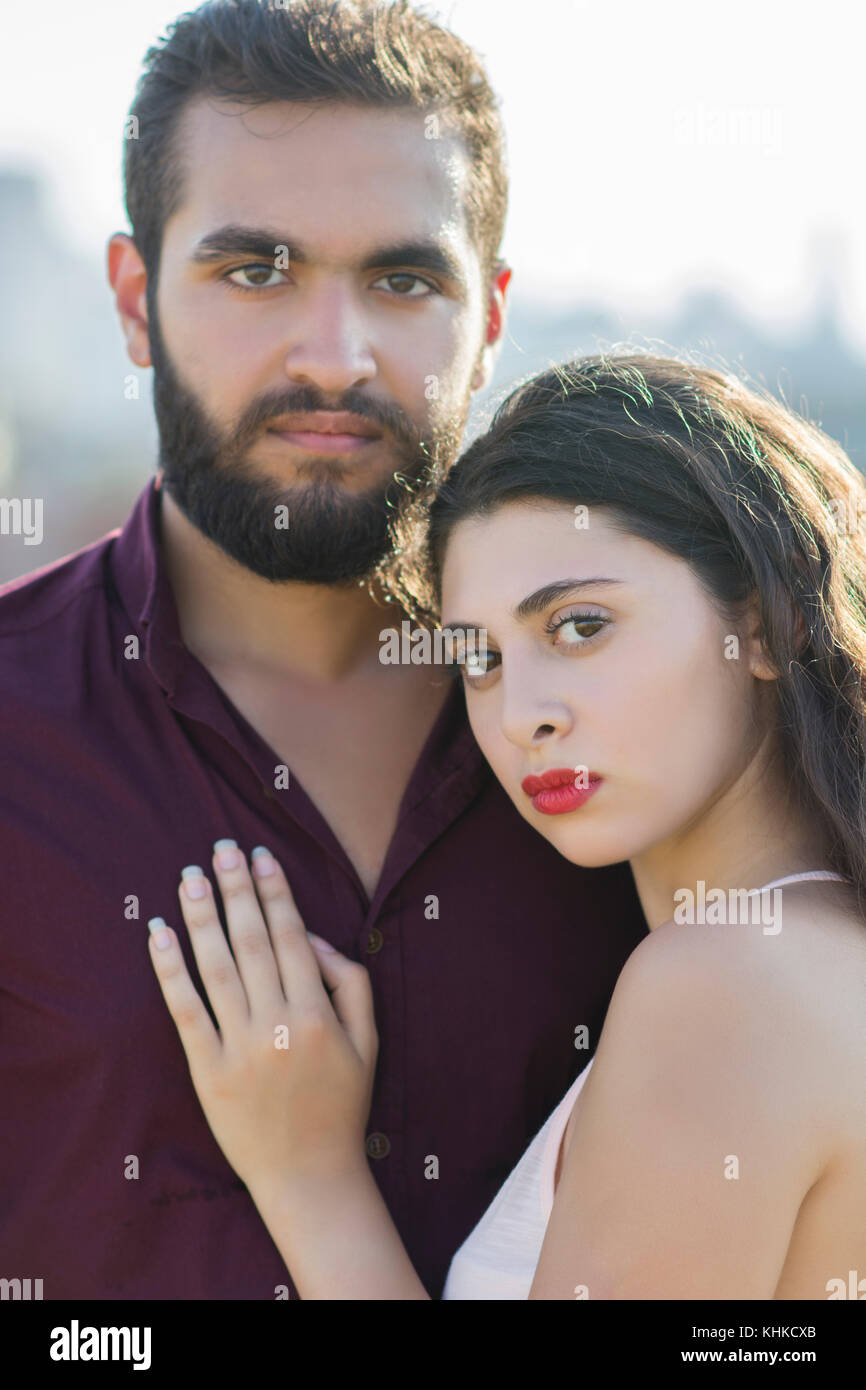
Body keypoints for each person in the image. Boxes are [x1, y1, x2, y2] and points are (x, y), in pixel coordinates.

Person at [0, 1, 648, 1299]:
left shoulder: (655, 736)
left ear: (492, 313)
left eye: (404, 280)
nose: (333, 358)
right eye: (256, 271)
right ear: (135, 303)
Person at [148, 351, 866, 1299]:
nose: (522, 711)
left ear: (768, 622)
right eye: (478, 659)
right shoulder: (812, 954)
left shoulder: (720, 986)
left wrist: (307, 1178)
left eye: (578, 626)